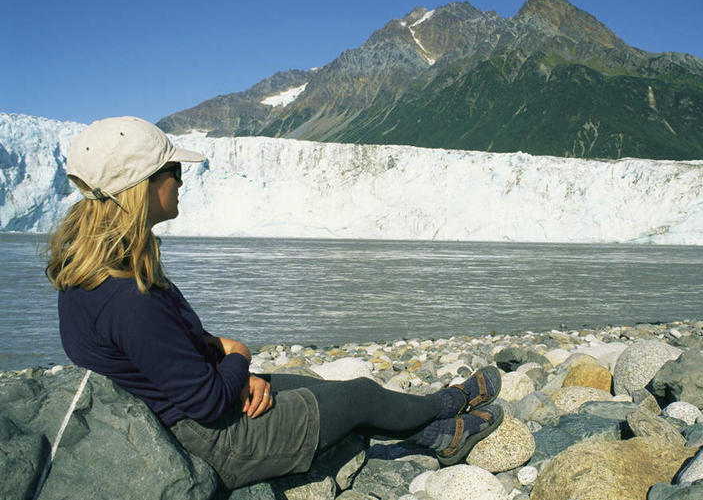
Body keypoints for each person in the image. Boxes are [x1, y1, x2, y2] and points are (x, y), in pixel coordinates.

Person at [46, 116, 503, 489]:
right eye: (174, 172)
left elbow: (157, 351)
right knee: (358, 395)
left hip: (186, 409)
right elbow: (206, 402)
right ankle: (447, 406)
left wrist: (220, 355)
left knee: (308, 385)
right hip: (217, 440)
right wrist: (239, 358)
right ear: (140, 186)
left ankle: (440, 435)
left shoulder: (94, 272)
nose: (182, 182)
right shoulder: (129, 299)